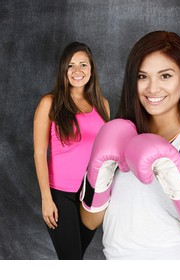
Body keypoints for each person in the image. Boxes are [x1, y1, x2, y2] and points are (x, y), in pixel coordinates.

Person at [79, 31, 180, 259]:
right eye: (142, 76)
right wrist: (102, 170)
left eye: (165, 76)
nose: (152, 88)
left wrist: (178, 184)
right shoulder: (117, 136)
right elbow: (90, 221)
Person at [33, 42, 110, 259]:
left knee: (77, 257)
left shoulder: (102, 105)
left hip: (91, 195)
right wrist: (46, 199)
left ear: (91, 69)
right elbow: (39, 153)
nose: (78, 71)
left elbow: (104, 153)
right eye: (71, 66)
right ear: (63, 70)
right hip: (60, 195)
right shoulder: (50, 102)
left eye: (83, 65)